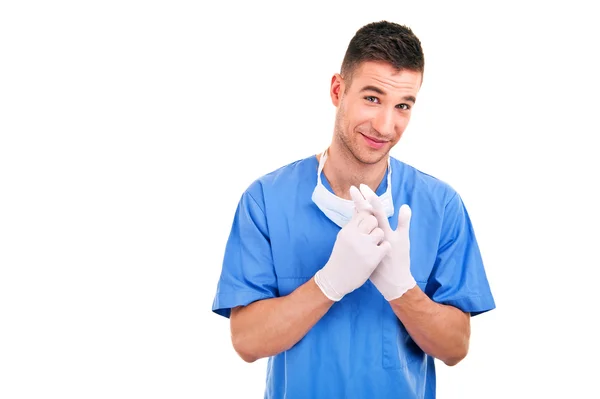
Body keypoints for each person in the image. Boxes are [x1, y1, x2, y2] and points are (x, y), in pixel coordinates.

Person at [211, 20, 495, 398]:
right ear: (337, 90)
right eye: (372, 98)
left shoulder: (440, 206)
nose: (385, 125)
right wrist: (328, 282)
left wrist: (403, 290)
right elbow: (246, 341)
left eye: (403, 106)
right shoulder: (265, 200)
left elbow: (456, 348)